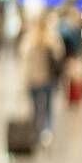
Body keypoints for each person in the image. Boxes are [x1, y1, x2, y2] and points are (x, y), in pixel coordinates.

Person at [19, 12, 64, 142]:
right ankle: (47, 132)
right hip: (48, 79)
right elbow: (60, 55)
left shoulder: (28, 40)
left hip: (33, 79)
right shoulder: (53, 38)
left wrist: (24, 81)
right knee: (48, 108)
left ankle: (36, 131)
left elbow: (24, 61)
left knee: (35, 109)